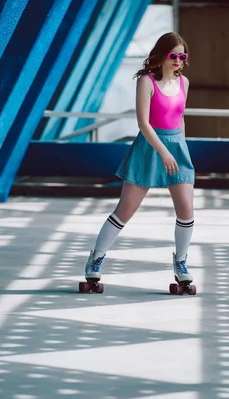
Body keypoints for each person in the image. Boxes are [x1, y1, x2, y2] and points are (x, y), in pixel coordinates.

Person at [84, 32, 195, 288]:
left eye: (182, 56)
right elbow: (143, 123)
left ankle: (180, 262)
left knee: (187, 210)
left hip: (177, 148)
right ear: (162, 55)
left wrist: (181, 149)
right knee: (125, 210)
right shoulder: (146, 82)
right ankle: (96, 258)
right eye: (173, 55)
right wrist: (163, 151)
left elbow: (180, 118)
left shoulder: (184, 83)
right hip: (149, 147)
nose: (178, 60)